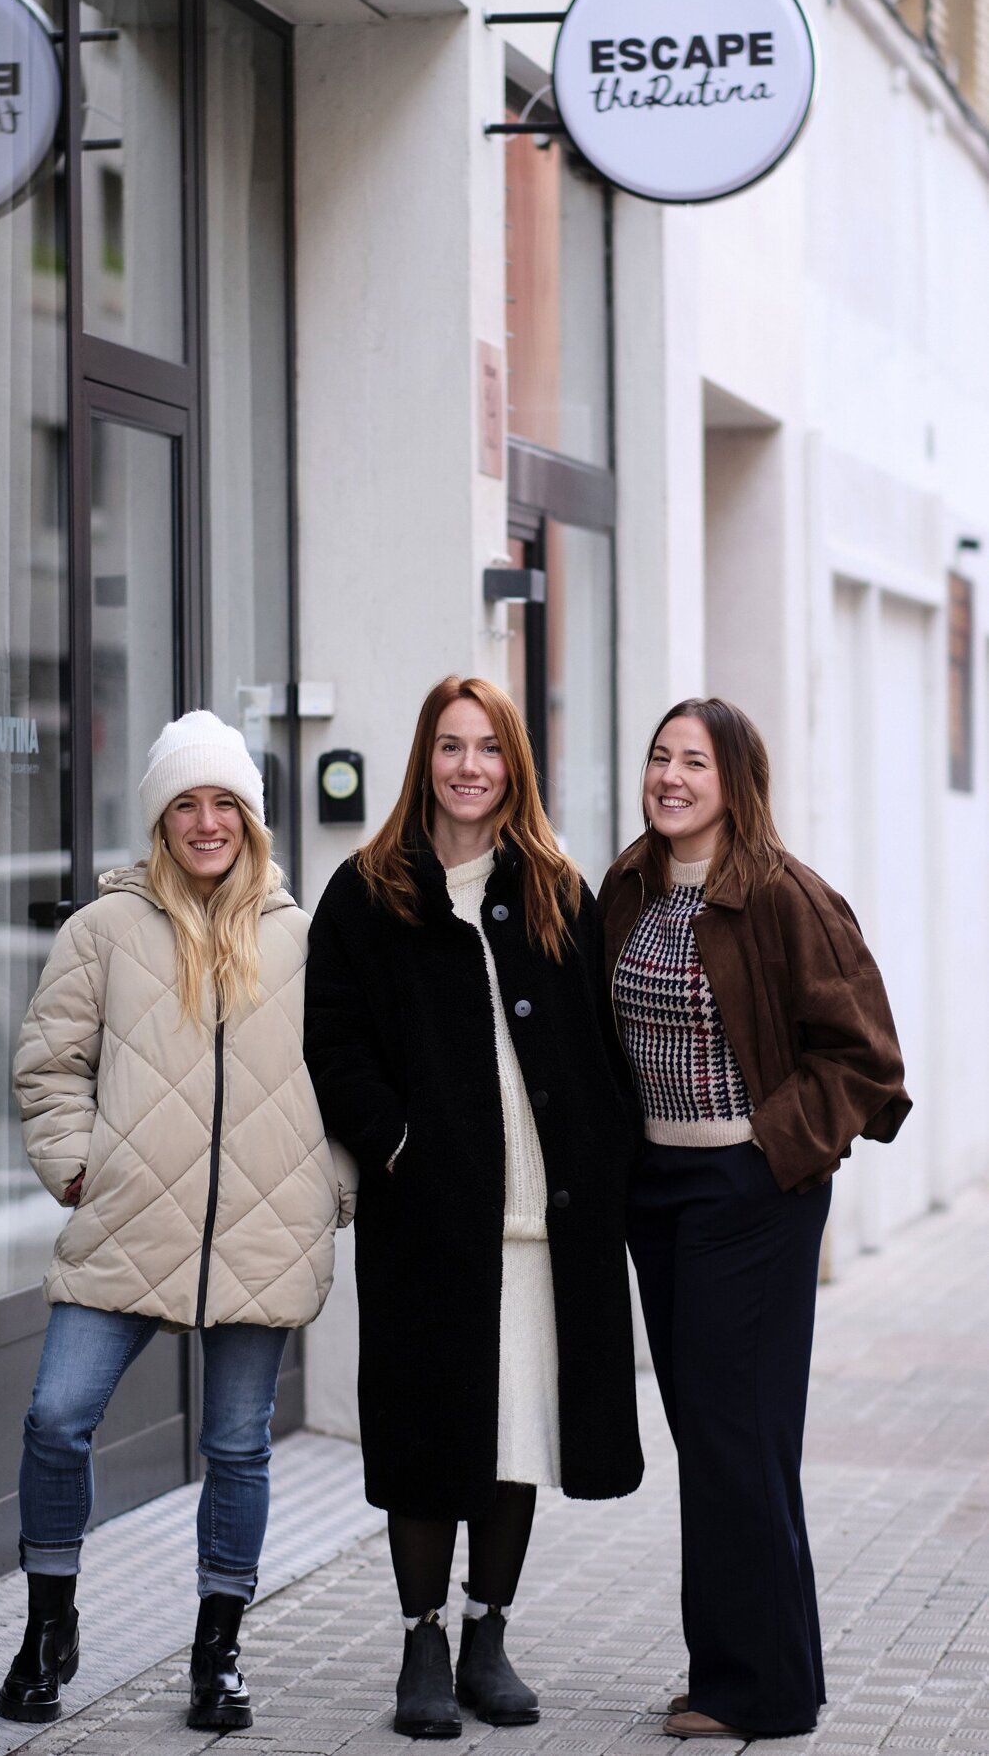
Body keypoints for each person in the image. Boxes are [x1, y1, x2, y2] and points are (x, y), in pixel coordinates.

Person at [0, 710, 354, 1732]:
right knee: (56, 1417)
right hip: (123, 1223)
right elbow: (48, 1062)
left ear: (249, 815)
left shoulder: (297, 937)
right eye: (186, 804)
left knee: (239, 1445)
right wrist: (73, 1164)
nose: (207, 822)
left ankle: (217, 1649)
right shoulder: (101, 931)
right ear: (160, 819)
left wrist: (330, 1184)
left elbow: (346, 1073)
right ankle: (48, 1625)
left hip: (262, 1228)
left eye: (223, 802)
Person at [305, 675, 643, 1739]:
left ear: (512, 765)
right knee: (424, 1428)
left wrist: (609, 1162)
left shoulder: (553, 885)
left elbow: (597, 1043)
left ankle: (487, 1632)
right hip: (431, 1219)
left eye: (486, 747)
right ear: (424, 758)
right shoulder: (366, 890)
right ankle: (421, 1638)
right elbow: (332, 1043)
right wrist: (397, 1141)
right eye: (449, 745)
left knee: (515, 1434)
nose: (467, 766)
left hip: (548, 1217)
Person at [599, 697, 910, 1743]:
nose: (669, 776)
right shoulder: (627, 886)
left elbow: (865, 1058)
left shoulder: (784, 896)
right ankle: (742, 1671)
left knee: (739, 1437)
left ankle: (756, 1694)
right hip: (659, 1190)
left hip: (751, 1196)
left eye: (693, 761)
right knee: (717, 1439)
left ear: (735, 780)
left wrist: (768, 1147)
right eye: (658, 757)